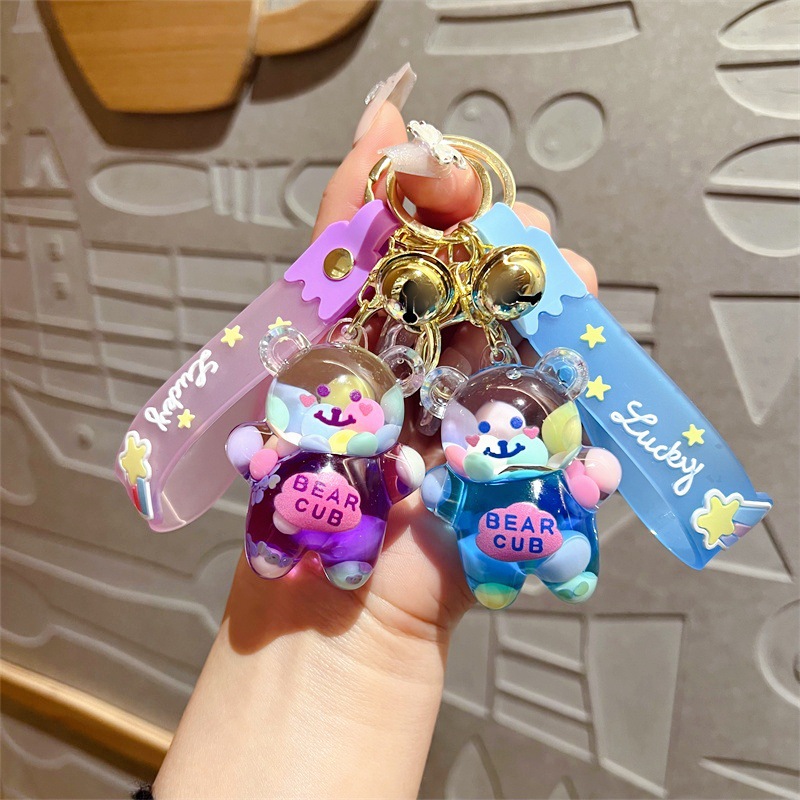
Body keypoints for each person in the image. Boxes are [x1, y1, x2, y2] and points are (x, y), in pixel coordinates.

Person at [150, 89, 597, 800]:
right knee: (282, 533)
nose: (337, 409)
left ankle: (510, 562)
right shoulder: (314, 434)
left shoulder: (454, 456)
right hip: (300, 525)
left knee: (528, 548)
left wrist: (569, 478)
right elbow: (269, 456)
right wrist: (260, 454)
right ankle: (289, 552)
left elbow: (415, 482)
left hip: (434, 537)